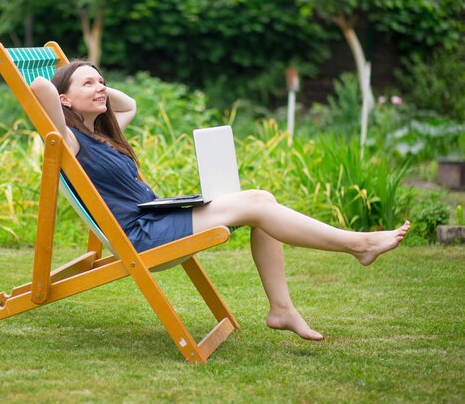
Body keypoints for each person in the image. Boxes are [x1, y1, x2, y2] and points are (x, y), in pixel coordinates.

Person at [31, 60, 411, 341]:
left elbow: (128, 104)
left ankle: (282, 309)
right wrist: (67, 77)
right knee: (258, 202)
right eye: (89, 84)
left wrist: (89, 83)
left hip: (156, 217)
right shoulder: (69, 141)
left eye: (103, 81)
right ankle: (358, 244)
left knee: (262, 202)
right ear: (64, 99)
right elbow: (38, 87)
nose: (101, 87)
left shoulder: (104, 133)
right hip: (141, 236)